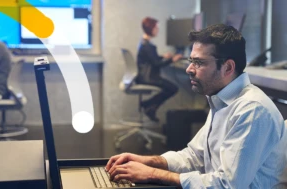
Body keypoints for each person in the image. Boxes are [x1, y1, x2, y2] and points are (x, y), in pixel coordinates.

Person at [105, 24, 287, 188]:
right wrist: (150, 162)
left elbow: (227, 185)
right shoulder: (220, 99)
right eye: (191, 60)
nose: (189, 69)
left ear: (228, 68)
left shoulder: (252, 110)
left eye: (198, 62)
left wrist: (153, 174)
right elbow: (195, 156)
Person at [137, 17, 183, 122]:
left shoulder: (144, 43)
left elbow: (152, 59)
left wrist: (163, 56)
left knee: (170, 88)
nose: (157, 30)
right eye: (156, 27)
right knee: (173, 88)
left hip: (144, 76)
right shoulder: (148, 46)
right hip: (149, 78)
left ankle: (149, 107)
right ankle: (148, 104)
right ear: (150, 29)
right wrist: (172, 59)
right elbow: (157, 64)